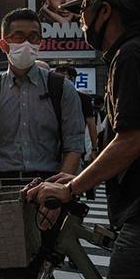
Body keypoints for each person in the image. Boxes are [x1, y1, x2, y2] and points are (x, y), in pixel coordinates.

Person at [27, 0, 140, 279]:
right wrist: (80, 174)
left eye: (84, 11)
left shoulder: (131, 54)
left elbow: (133, 140)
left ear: (104, 10)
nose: (80, 21)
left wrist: (71, 189)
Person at [0, 8, 85, 279]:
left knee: (41, 278)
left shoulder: (62, 88)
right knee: (2, 277)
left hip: (47, 187)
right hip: (4, 187)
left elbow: (74, 147)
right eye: (18, 36)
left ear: (41, 42)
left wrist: (58, 191)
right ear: (4, 43)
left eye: (34, 37)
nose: (26, 44)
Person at [54, 65, 99, 200]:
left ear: (73, 79)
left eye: (65, 77)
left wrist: (94, 149)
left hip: (74, 151)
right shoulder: (49, 97)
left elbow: (91, 125)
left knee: (70, 190)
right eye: (58, 77)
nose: (61, 80)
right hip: (51, 151)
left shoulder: (83, 98)